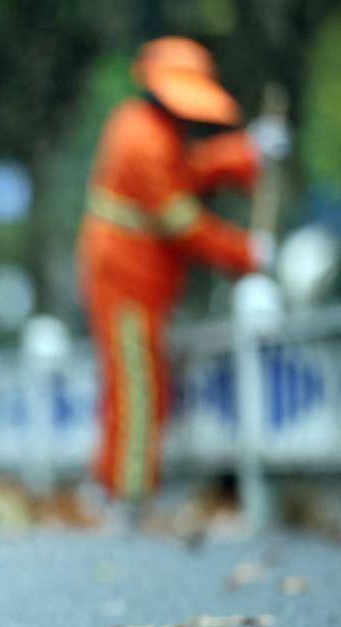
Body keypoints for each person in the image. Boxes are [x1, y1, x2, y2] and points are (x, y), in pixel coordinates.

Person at [78, 36, 288, 510]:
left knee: (132, 381)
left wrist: (246, 152)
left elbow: (188, 169)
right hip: (125, 279)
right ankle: (127, 492)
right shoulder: (143, 140)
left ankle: (113, 486)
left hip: (135, 280)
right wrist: (248, 253)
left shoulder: (147, 128)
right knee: (137, 387)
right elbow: (184, 224)